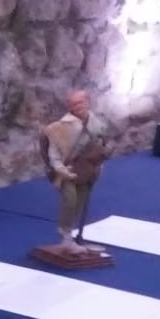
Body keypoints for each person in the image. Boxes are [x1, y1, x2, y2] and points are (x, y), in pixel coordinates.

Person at [41, 90, 111, 253]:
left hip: (87, 171)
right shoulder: (59, 128)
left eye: (80, 102)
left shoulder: (97, 125)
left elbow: (101, 146)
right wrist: (60, 169)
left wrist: (98, 165)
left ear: (87, 102)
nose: (77, 107)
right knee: (70, 201)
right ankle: (66, 236)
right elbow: (54, 154)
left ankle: (71, 237)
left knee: (80, 202)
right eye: (73, 104)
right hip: (67, 170)